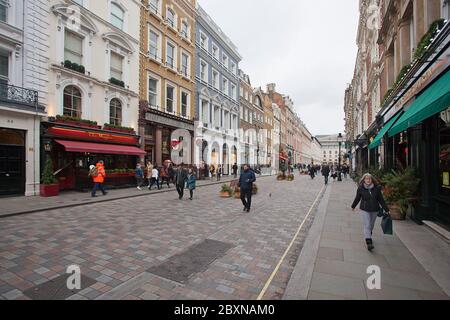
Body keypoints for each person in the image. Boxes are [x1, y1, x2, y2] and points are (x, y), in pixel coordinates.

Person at [351, 173, 390, 251]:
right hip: (364, 209)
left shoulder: (377, 188)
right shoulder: (361, 188)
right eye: (366, 179)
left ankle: (368, 233)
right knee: (367, 224)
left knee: (371, 225)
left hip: (375, 209)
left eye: (369, 179)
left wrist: (386, 209)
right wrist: (353, 206)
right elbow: (357, 198)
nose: (368, 180)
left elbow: (381, 199)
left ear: (372, 180)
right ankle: (369, 242)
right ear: (363, 180)